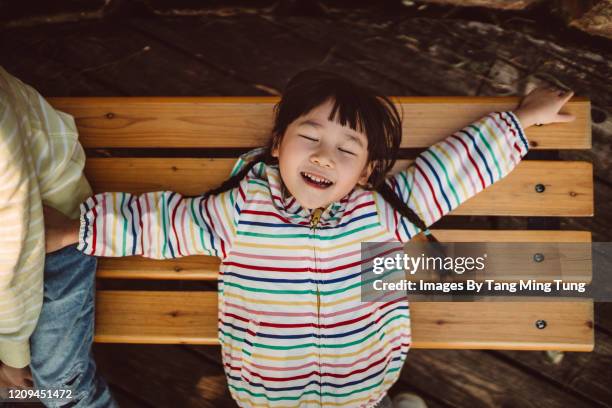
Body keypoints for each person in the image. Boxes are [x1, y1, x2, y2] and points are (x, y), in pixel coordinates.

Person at [46, 69, 575, 407]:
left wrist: (521, 121)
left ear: (364, 174)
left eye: (347, 150)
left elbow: (453, 170)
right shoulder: (239, 211)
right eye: (310, 137)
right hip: (265, 394)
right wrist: (74, 228)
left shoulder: (385, 213)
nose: (325, 155)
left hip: (366, 384)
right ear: (277, 146)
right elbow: (160, 223)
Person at [0, 66, 117, 407]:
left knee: (57, 382)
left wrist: (14, 357)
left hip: (54, 237)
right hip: (15, 250)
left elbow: (15, 258)